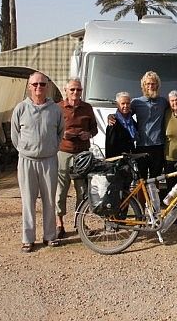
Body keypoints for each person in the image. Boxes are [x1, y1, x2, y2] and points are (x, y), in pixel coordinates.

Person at [11, 72, 64, 253]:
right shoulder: (21, 108)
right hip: (27, 161)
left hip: (49, 160)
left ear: (47, 87)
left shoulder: (55, 109)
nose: (38, 88)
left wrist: (50, 148)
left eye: (42, 84)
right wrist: (26, 149)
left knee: (50, 200)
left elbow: (60, 133)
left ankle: (50, 236)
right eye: (35, 84)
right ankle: (28, 238)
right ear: (29, 86)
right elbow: (14, 135)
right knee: (28, 201)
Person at [55, 78, 98, 239]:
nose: (75, 93)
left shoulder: (87, 108)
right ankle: (59, 223)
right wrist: (62, 134)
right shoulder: (58, 108)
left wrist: (89, 134)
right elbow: (52, 128)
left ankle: (80, 222)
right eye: (72, 89)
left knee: (82, 190)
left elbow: (94, 128)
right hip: (63, 152)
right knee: (61, 189)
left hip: (82, 154)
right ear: (65, 90)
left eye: (78, 90)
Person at [129, 71, 169, 179]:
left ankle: (153, 197)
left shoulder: (163, 102)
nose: (150, 86)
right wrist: (111, 116)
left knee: (155, 179)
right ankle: (142, 197)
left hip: (158, 147)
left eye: (153, 83)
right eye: (147, 84)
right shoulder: (136, 102)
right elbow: (124, 117)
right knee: (141, 180)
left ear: (157, 85)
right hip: (141, 146)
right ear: (143, 86)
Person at [105, 91, 137, 157]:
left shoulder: (131, 121)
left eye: (128, 103)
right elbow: (109, 147)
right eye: (123, 103)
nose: (125, 106)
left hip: (130, 159)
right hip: (118, 161)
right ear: (117, 104)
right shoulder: (113, 122)